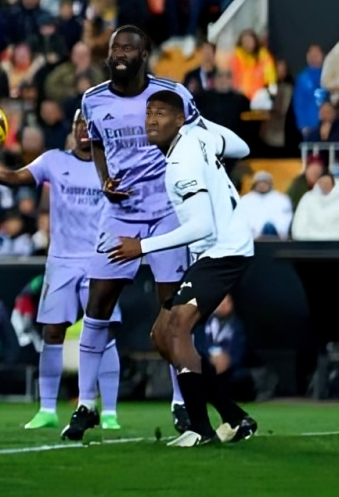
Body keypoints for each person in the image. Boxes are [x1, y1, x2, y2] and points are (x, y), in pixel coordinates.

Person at [62, 25, 250, 442]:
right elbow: (95, 144)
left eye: (129, 47)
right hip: (119, 214)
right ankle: (84, 405)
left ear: (145, 52)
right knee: (98, 303)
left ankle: (182, 404)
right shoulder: (93, 99)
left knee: (173, 312)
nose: (120, 53)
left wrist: (212, 183)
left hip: (169, 212)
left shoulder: (173, 95)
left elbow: (206, 140)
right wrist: (106, 178)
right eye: (115, 48)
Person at [108, 90, 257, 447]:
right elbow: (241, 148)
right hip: (217, 249)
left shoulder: (181, 163)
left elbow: (202, 226)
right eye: (149, 114)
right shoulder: (197, 136)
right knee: (162, 337)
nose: (152, 120)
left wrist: (140, 247)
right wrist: (201, 122)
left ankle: (200, 429)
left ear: (179, 120)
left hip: (223, 250)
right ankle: (235, 418)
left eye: (162, 113)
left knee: (176, 330)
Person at [0, 110, 124, 430]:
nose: (83, 130)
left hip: (100, 258)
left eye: (89, 125)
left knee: (103, 333)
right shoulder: (53, 160)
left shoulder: (113, 165)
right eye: (78, 123)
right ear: (72, 128)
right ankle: (48, 409)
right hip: (62, 261)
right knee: (52, 332)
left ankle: (107, 411)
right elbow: (16, 177)